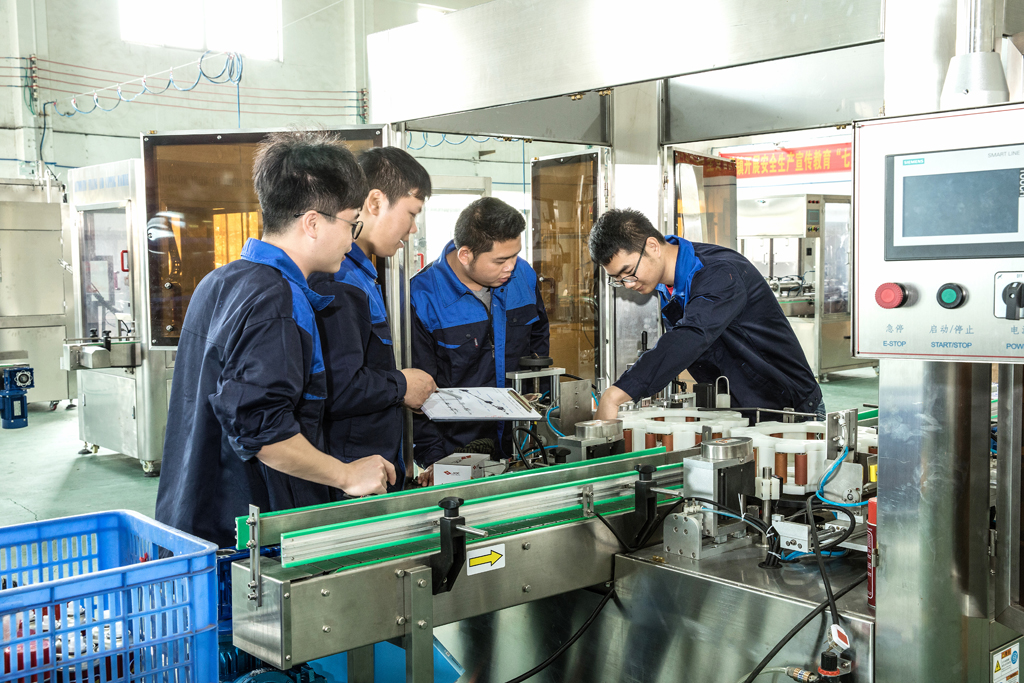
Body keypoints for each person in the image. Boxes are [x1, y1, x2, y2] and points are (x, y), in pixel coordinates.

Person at [155, 131, 396, 548]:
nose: (351, 238)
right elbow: (262, 432)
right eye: (351, 222)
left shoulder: (221, 280)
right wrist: (345, 474)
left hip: (192, 517)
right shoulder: (277, 301)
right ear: (313, 223)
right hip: (244, 537)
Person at [590, 208, 823, 422]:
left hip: (790, 408)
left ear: (653, 246)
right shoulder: (667, 286)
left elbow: (691, 335)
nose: (628, 284)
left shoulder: (719, 273)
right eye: (618, 280)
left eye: (628, 272)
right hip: (741, 408)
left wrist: (616, 394)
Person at [310, 147, 436, 490]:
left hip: (375, 464)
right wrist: (402, 385)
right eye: (411, 214)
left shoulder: (364, 275)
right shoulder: (337, 279)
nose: (412, 230)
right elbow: (337, 388)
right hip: (351, 470)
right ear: (376, 202)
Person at [411, 197, 549, 483]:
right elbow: (417, 392)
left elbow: (538, 345)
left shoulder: (524, 276)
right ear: (465, 254)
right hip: (456, 449)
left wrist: (541, 415)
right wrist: (435, 459)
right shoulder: (422, 297)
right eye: (500, 260)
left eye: (515, 255)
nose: (511, 266)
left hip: (521, 440)